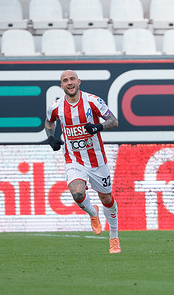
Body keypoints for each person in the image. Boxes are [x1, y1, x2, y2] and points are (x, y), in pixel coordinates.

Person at [45, 70, 121, 254]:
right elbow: (49, 123)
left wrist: (98, 126)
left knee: (107, 198)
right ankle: (93, 212)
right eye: (65, 80)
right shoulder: (55, 106)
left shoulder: (93, 101)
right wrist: (51, 138)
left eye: (72, 79)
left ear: (79, 82)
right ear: (61, 85)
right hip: (74, 160)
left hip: (97, 161)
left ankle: (114, 236)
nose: (69, 83)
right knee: (77, 194)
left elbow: (114, 121)